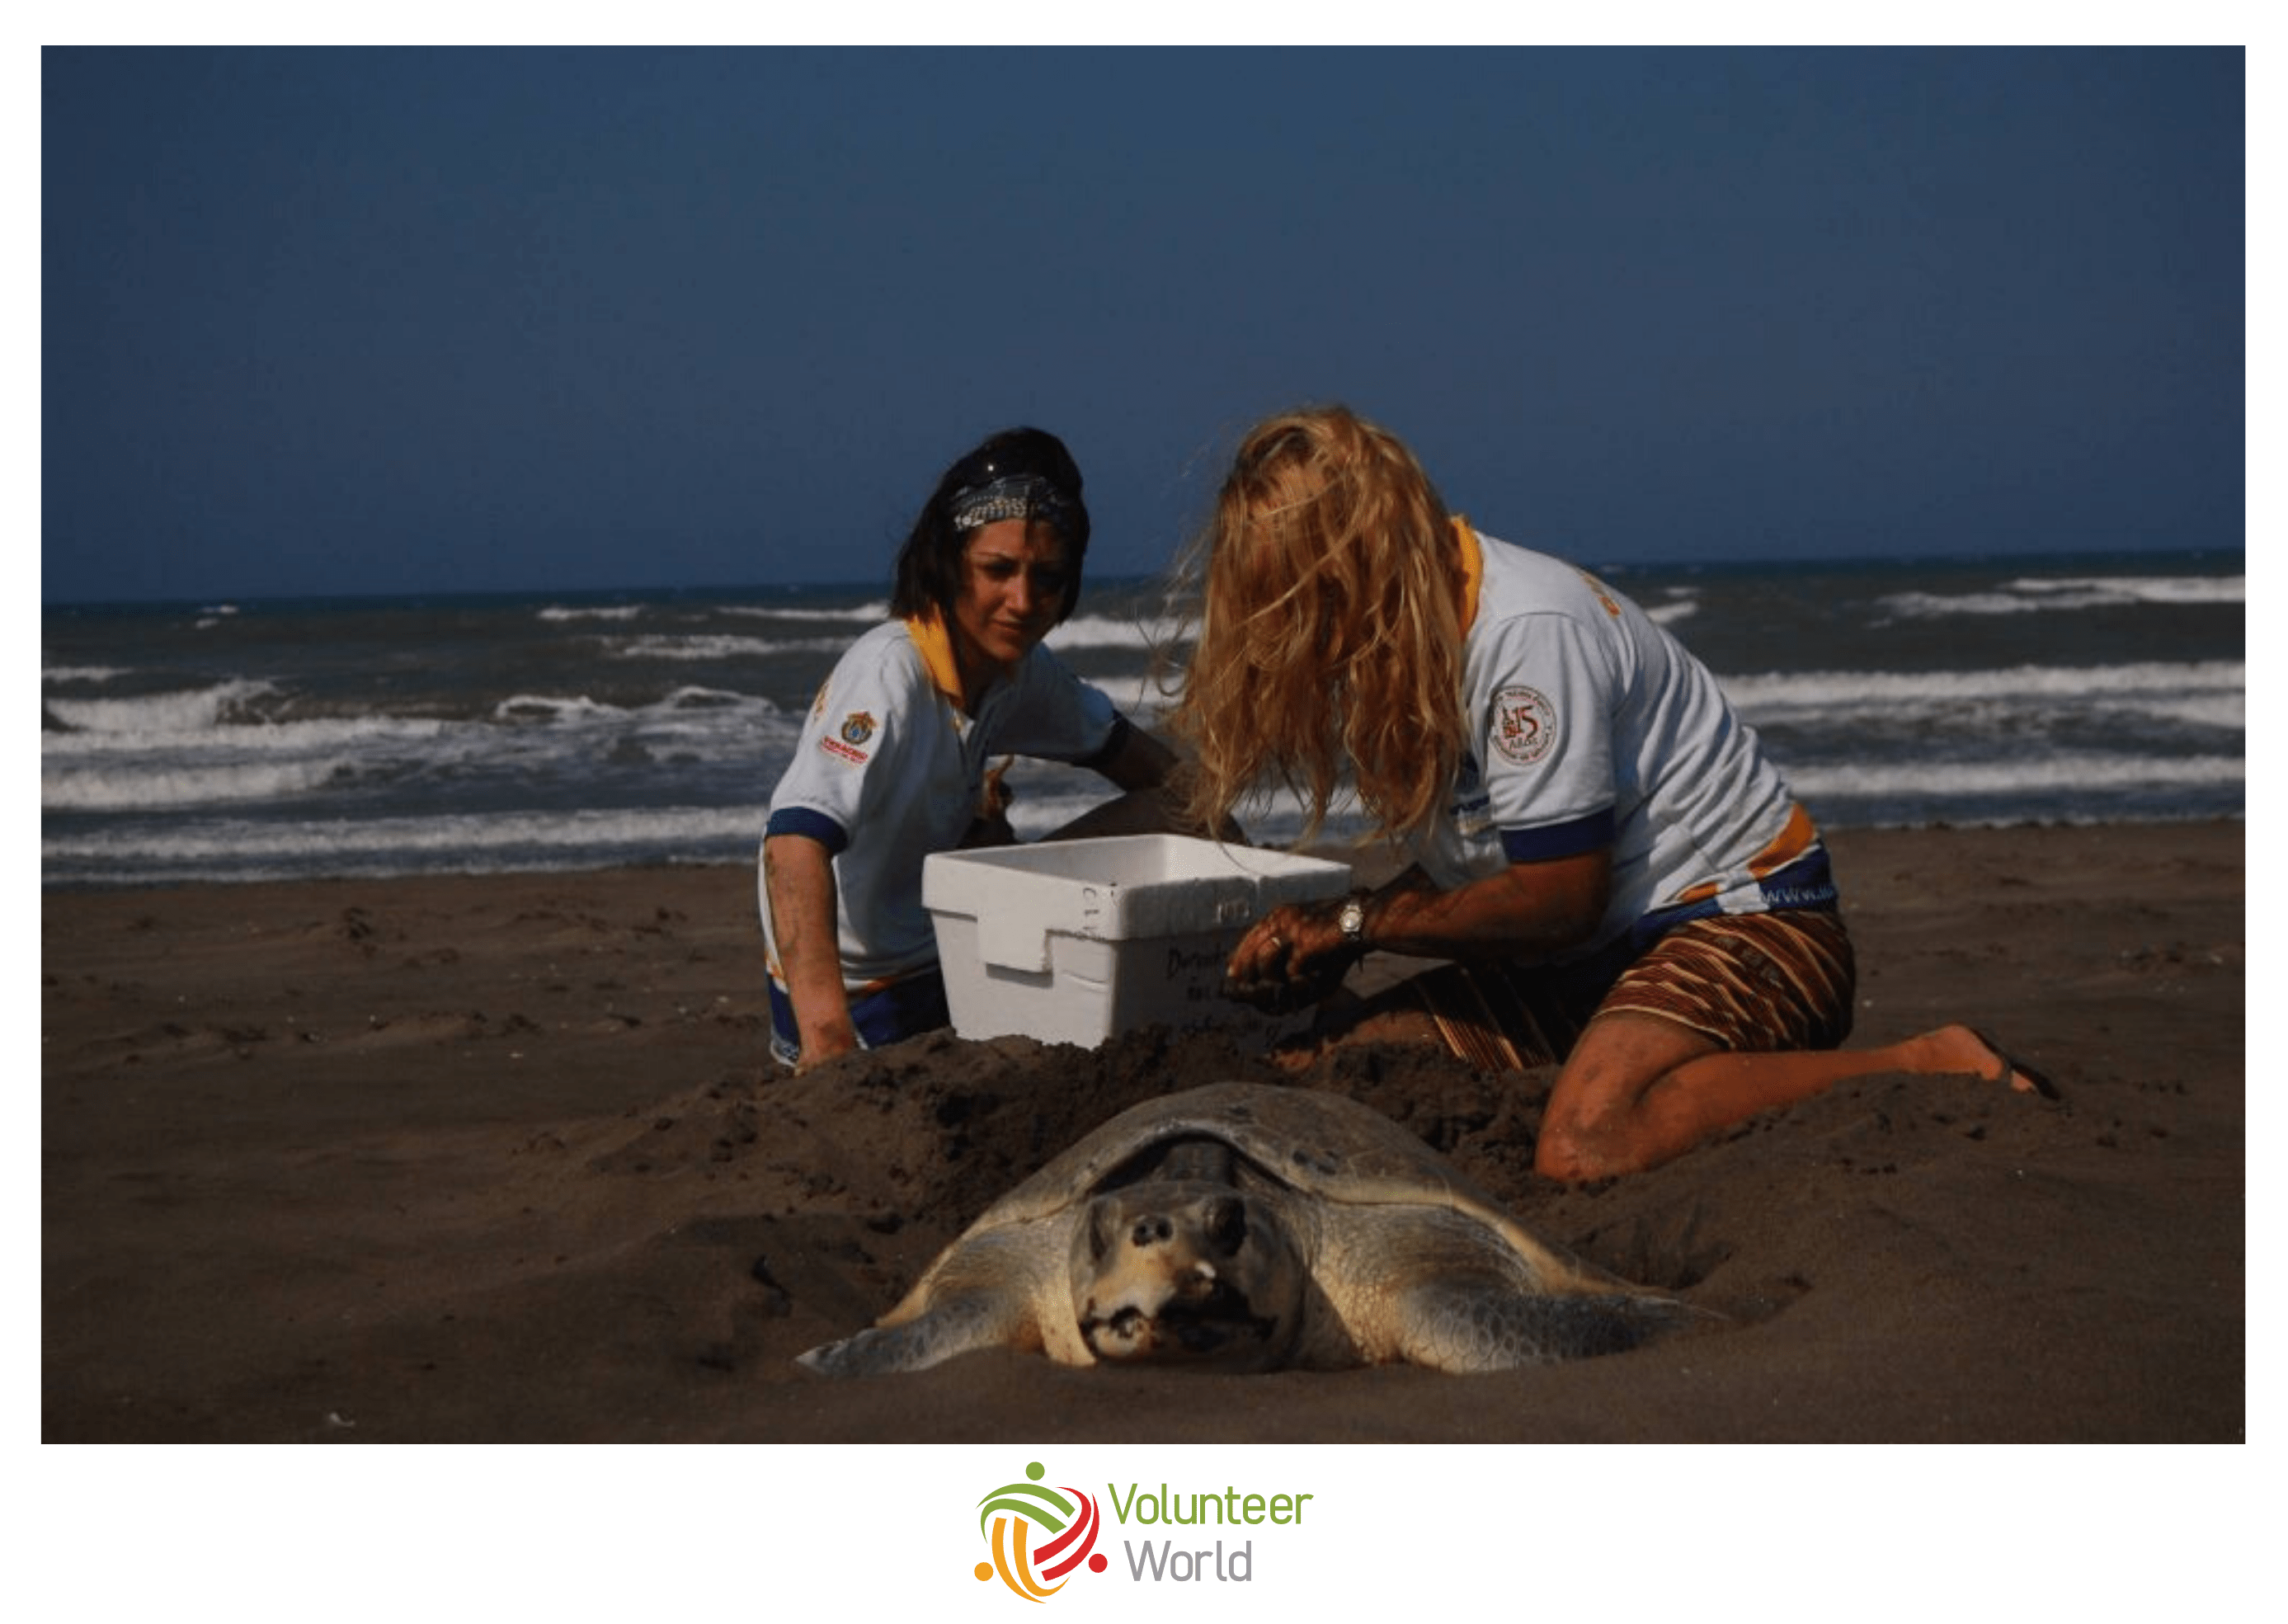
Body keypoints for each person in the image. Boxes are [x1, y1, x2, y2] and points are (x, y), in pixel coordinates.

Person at [1165, 405, 2054, 1181]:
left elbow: (1557, 898)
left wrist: (1359, 925)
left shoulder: (1523, 634)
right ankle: (1621, 1057)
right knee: (1328, 1070)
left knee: (1588, 1144)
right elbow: (1485, 865)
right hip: (1589, 965)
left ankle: (1925, 1062)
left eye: (1299, 598)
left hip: (1748, 927)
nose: (1290, 632)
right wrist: (1336, 932)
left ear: (1351, 563)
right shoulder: (1415, 637)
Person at [760, 426, 1190, 1071]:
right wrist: (827, 1044)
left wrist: (1251, 874)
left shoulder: (1019, 670)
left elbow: (1152, 769)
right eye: (997, 570)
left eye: (1046, 578)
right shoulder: (889, 674)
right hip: (862, 992)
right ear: (947, 560)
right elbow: (791, 843)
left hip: (953, 947)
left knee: (1185, 812)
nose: (1021, 602)